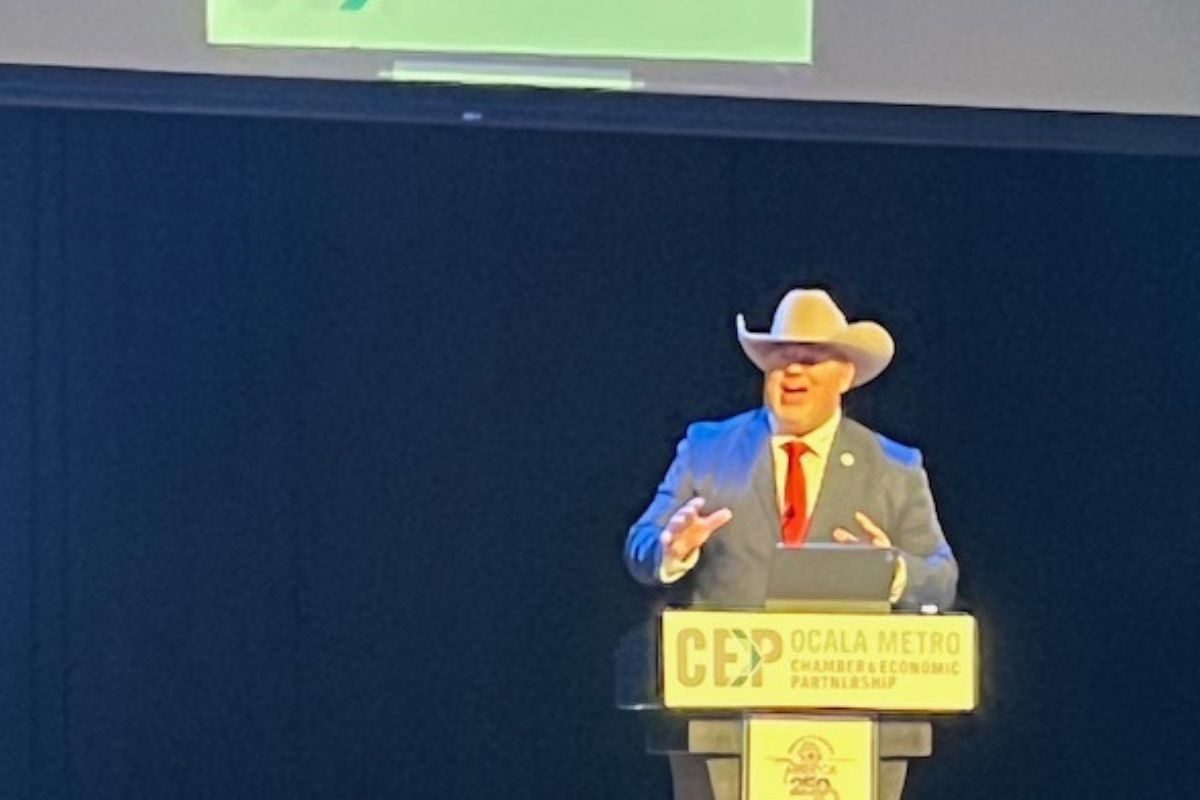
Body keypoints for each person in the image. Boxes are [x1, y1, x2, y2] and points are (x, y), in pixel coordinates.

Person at [624, 288, 957, 610]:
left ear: (844, 376)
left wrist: (890, 571)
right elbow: (642, 543)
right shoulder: (708, 449)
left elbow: (941, 580)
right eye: (781, 360)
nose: (793, 371)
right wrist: (670, 552)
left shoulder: (894, 467)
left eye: (810, 360)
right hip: (735, 659)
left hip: (839, 661)